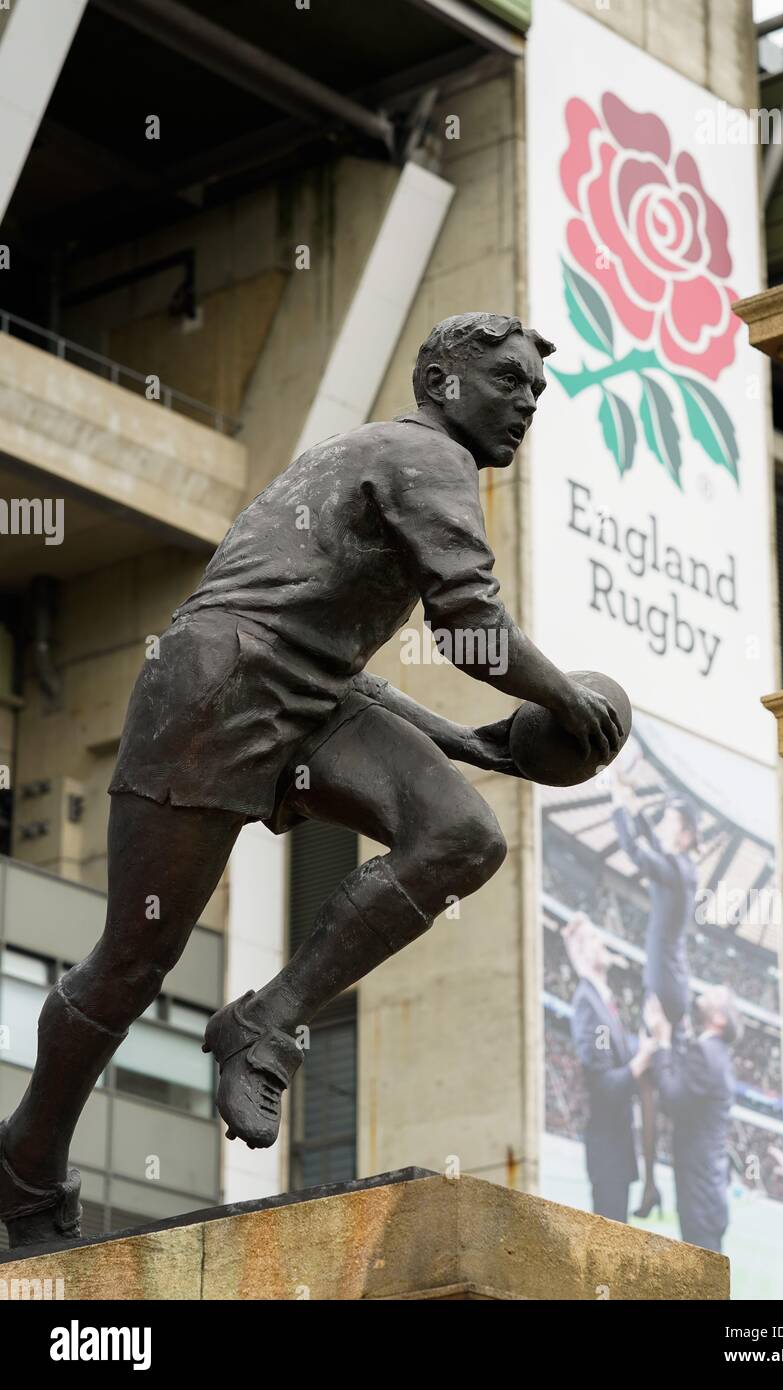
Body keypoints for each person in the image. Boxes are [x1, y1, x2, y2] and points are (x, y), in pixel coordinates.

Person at [0, 311, 627, 1249]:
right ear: (442, 382)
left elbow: (342, 664)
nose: (528, 405)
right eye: (509, 383)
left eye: (538, 392)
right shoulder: (427, 459)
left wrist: (478, 745)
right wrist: (567, 702)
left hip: (307, 693)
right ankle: (23, 1169)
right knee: (132, 964)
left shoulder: (394, 461)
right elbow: (468, 620)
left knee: (462, 835)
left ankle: (264, 1023)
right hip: (215, 693)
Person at [611, 763, 698, 1219]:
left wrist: (616, 800)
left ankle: (650, 1185)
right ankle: (652, 1182)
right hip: (670, 982)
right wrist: (632, 800)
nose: (664, 826)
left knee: (649, 1084)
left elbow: (634, 848)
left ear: (684, 835)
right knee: (652, 1083)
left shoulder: (676, 869)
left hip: (663, 985)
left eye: (670, 823)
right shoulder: (683, 868)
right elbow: (650, 838)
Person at [564, 912, 657, 1223]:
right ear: (580, 953)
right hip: (608, 1155)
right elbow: (604, 1086)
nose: (601, 941)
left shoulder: (602, 1002)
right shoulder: (587, 1004)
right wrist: (643, 1057)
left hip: (616, 1153)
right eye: (592, 938)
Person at [644, 987, 740, 1253]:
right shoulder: (712, 1053)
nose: (710, 990)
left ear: (720, 1020)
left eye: (717, 994)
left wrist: (663, 1042)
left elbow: (673, 1099)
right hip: (705, 1195)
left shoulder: (706, 1053)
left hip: (700, 1197)